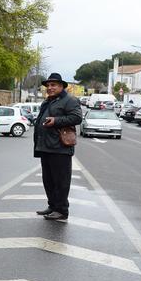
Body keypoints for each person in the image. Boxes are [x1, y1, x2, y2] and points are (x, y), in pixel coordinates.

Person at [33, 73, 83, 221]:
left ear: (61, 86)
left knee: (61, 180)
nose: (50, 88)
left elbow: (77, 118)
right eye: (48, 85)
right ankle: (53, 205)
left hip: (60, 147)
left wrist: (56, 121)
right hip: (46, 146)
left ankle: (62, 210)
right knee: (48, 180)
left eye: (53, 85)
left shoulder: (69, 100)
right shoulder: (48, 101)